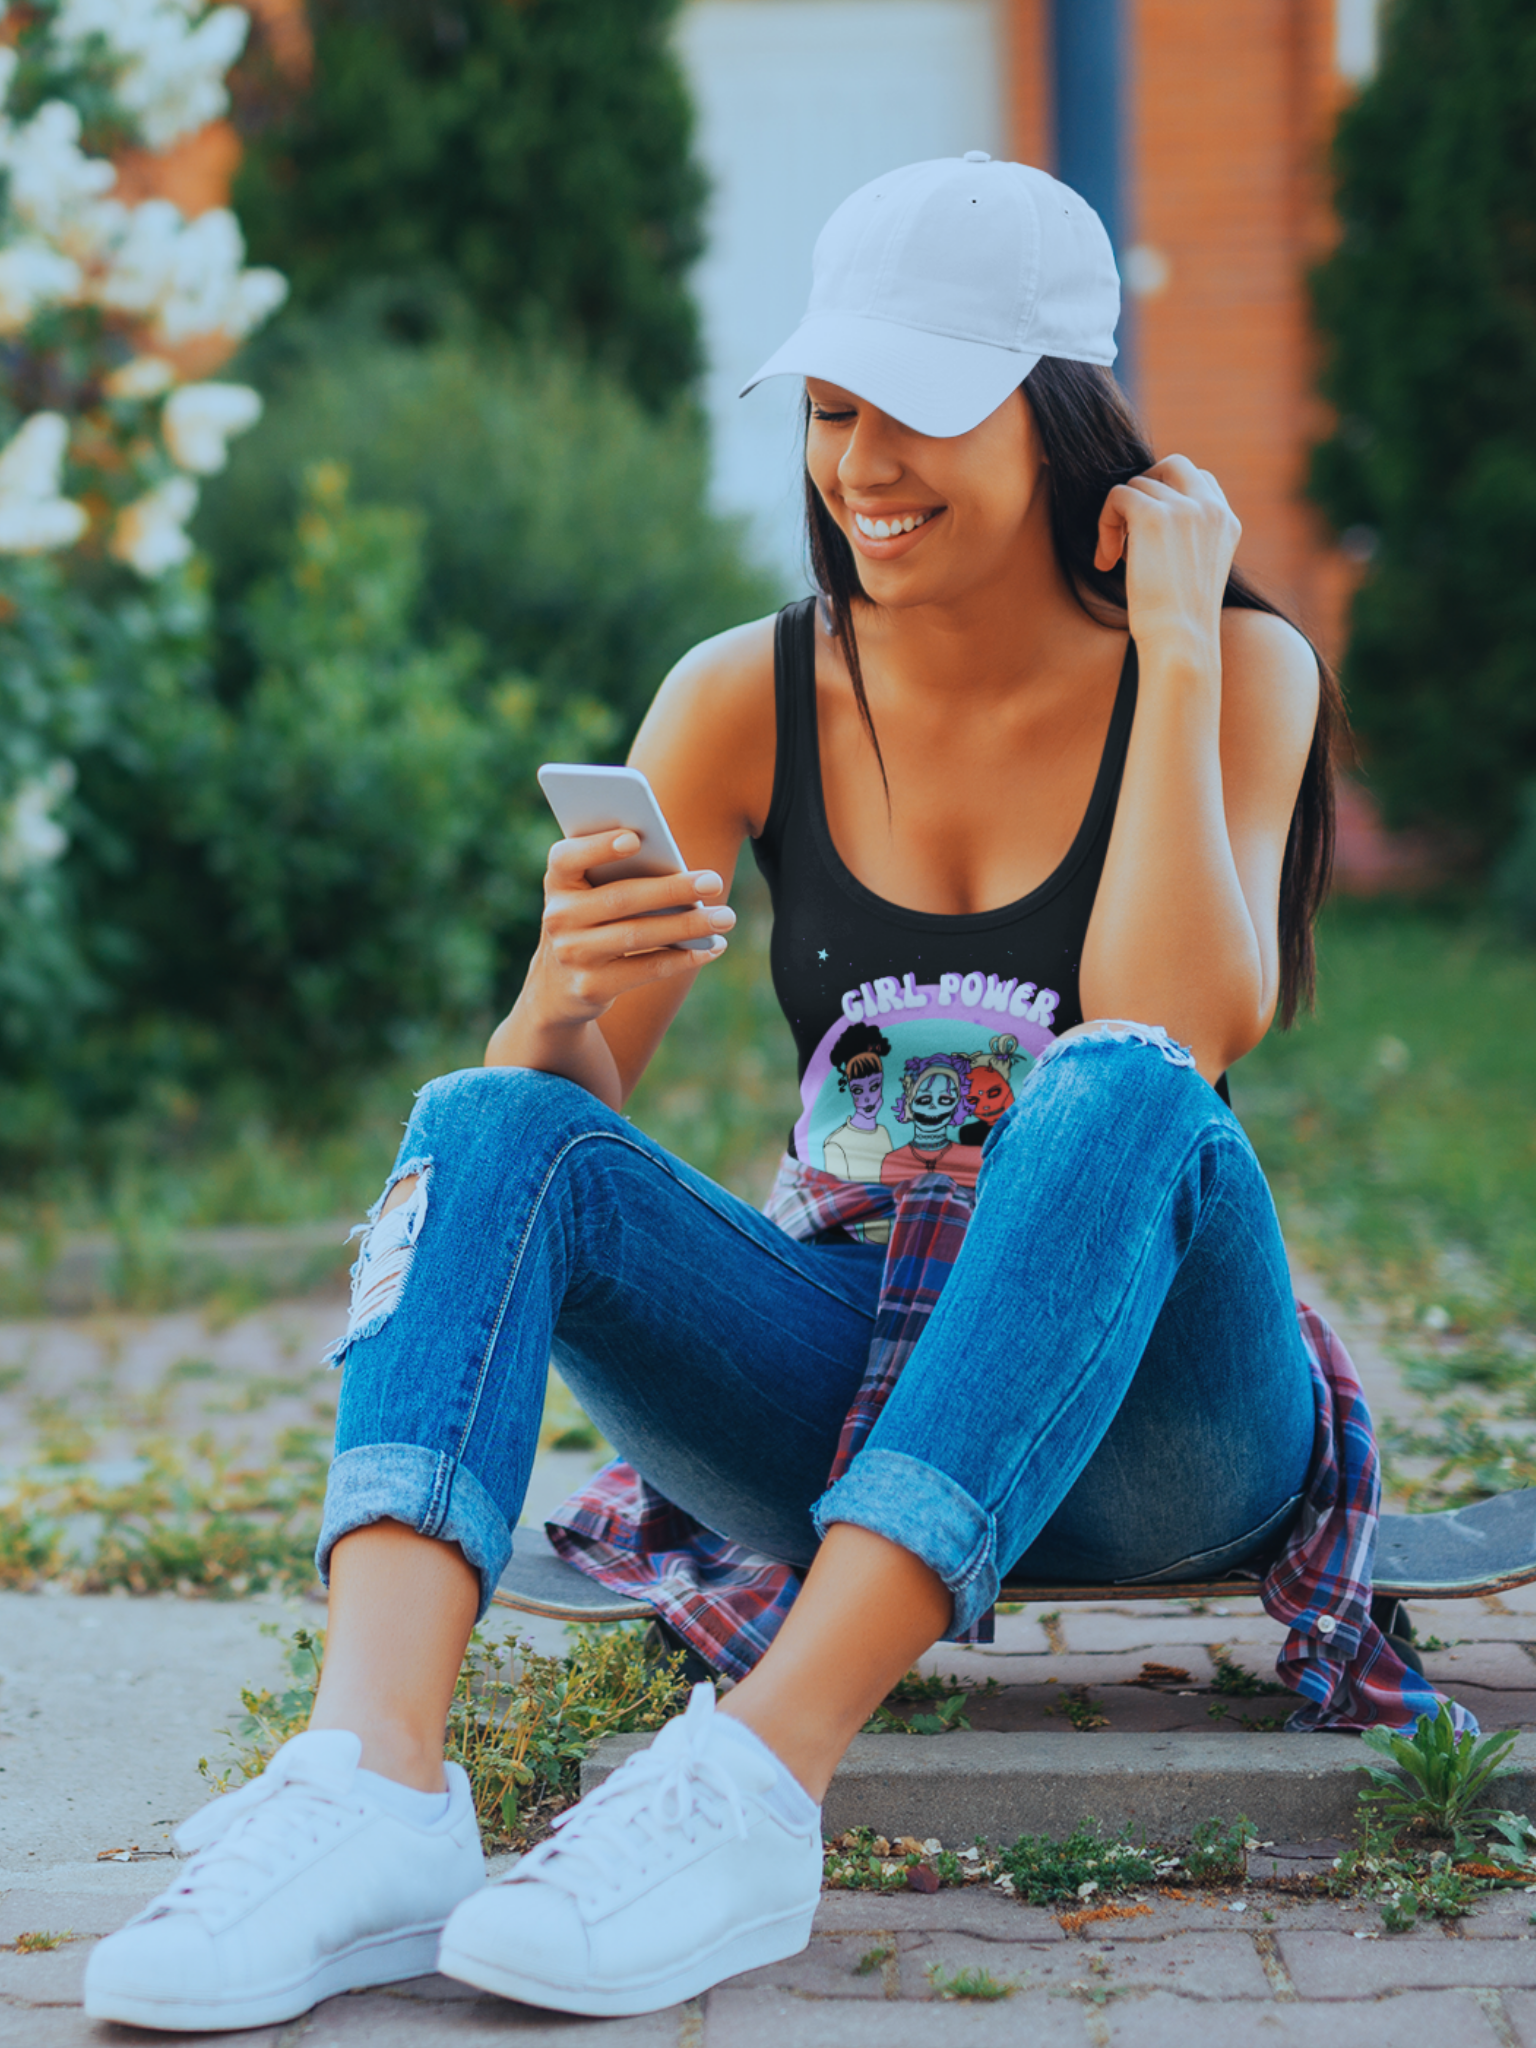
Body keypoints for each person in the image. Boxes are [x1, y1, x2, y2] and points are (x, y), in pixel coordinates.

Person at [86, 153, 1349, 2030]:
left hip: (1164, 1437)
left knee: (1120, 1088)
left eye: (917, 408)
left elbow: (1182, 1031)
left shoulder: (1234, 666)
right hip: (836, 1400)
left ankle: (755, 1778)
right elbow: (567, 1123)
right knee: (486, 1118)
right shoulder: (745, 691)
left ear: (1064, 415)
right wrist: (561, 992)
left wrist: (1170, 648)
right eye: (832, 409)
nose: (863, 465)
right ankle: (371, 1790)